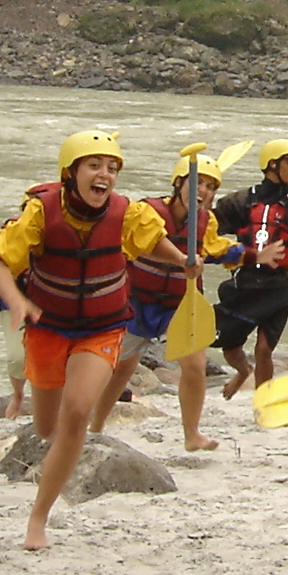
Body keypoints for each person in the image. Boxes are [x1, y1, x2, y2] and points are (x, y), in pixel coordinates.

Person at [0, 132, 189, 550]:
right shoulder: (40, 214)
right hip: (47, 327)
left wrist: (185, 261)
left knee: (76, 413)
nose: (105, 175)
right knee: (46, 427)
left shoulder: (127, 213)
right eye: (94, 166)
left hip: (102, 327)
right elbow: (3, 266)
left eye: (112, 168)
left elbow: (154, 241)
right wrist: (17, 302)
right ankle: (47, 459)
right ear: (70, 173)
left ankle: (37, 520)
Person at [90, 149, 235, 450]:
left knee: (195, 367)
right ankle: (96, 425)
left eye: (210, 187)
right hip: (138, 301)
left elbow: (217, 249)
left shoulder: (206, 221)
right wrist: (183, 259)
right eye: (198, 183)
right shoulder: (147, 212)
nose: (203, 191)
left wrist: (249, 255)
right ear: (179, 184)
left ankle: (192, 434)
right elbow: (142, 245)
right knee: (120, 371)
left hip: (180, 305)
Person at [213, 138, 288, 398]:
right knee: (230, 348)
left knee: (264, 349)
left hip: (277, 289)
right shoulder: (242, 201)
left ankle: (262, 401)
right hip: (243, 285)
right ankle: (243, 372)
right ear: (272, 164)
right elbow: (208, 227)